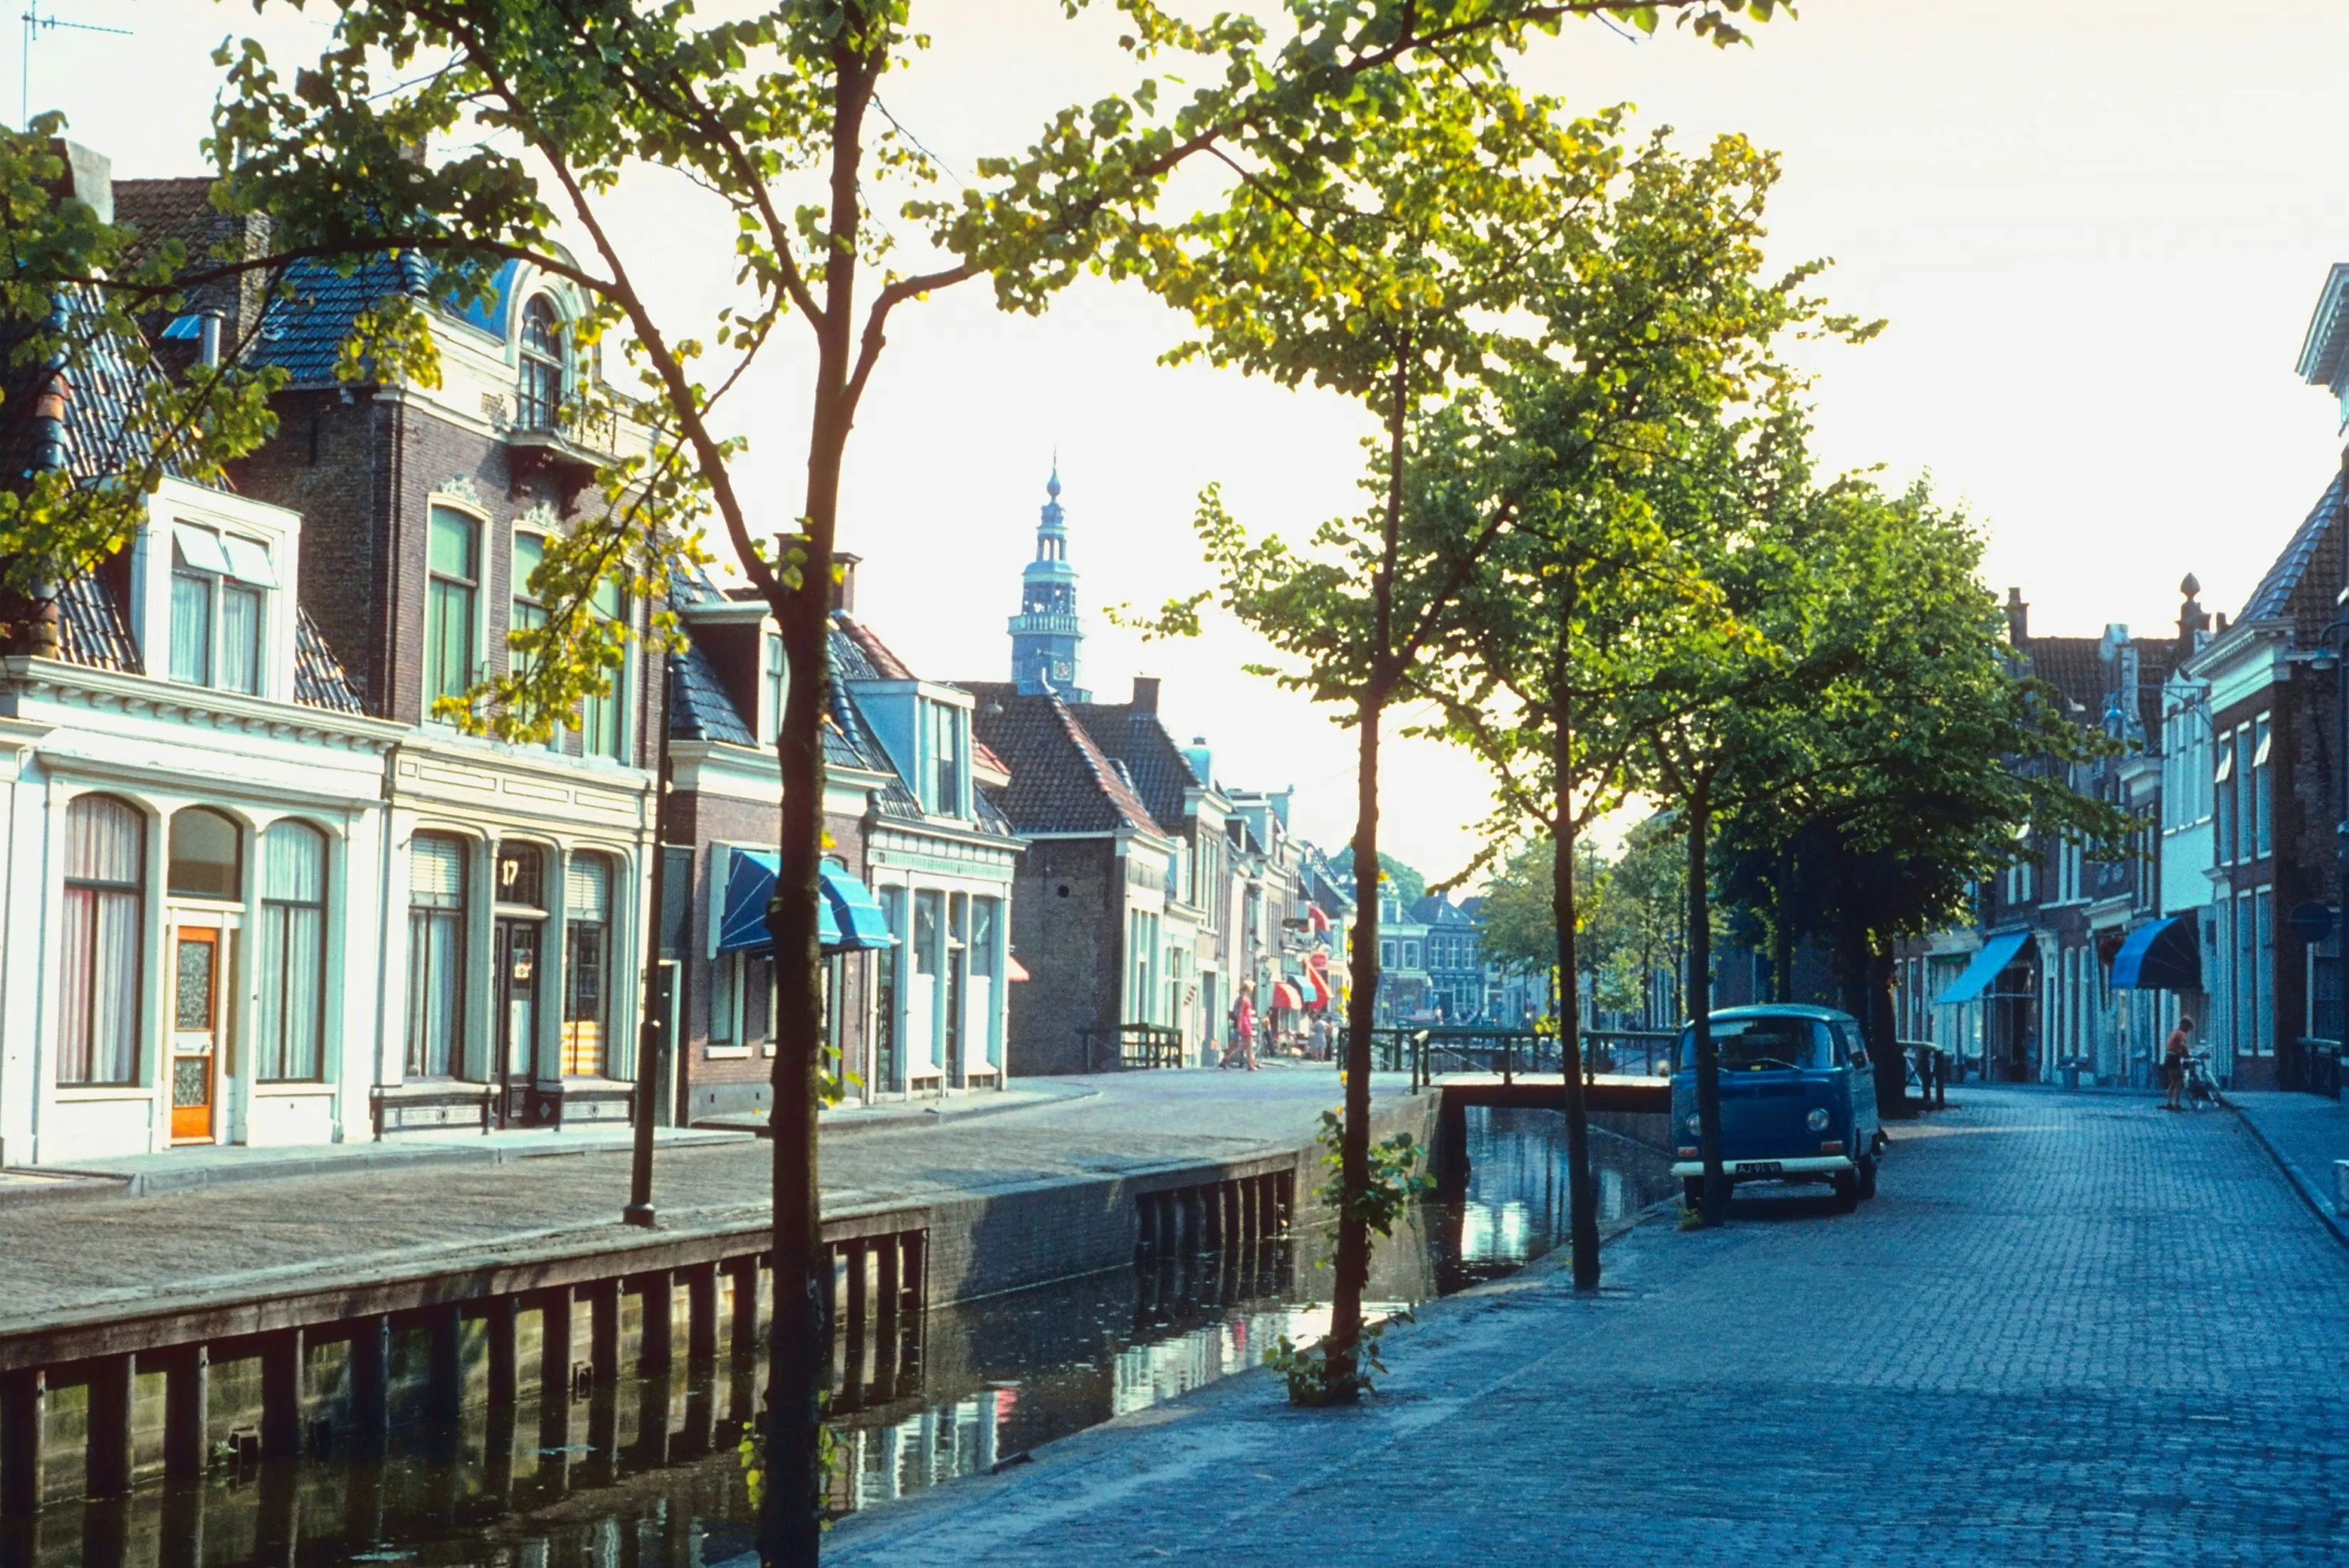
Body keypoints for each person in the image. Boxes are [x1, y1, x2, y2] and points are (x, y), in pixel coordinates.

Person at [2163, 1015, 2194, 1111]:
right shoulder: (2181, 1033)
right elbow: (2182, 1045)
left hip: (2168, 1057)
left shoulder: (2174, 1032)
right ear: (2184, 1025)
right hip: (2174, 1058)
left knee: (2173, 1081)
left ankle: (2168, 1102)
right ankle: (2177, 1104)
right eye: (2188, 1028)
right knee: (2179, 1081)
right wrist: (2188, 1054)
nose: (2188, 1031)